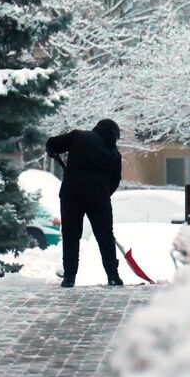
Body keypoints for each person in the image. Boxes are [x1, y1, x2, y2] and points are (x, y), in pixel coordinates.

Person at [46, 119, 124, 287]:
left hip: (71, 194)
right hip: (99, 198)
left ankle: (69, 278)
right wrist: (102, 192)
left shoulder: (79, 137)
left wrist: (52, 151)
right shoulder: (114, 154)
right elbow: (115, 180)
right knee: (105, 236)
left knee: (71, 236)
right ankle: (113, 275)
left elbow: (52, 143)